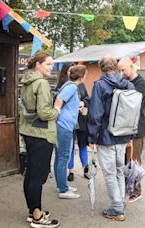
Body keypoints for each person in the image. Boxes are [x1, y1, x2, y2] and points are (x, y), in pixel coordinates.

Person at [88, 56, 135, 221]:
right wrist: (131, 135)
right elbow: (133, 112)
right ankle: (120, 203)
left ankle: (117, 208)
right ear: (115, 67)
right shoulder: (129, 85)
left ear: (102, 68)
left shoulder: (100, 86)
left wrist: (92, 138)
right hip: (123, 134)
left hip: (106, 136)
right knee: (119, 171)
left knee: (109, 173)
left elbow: (95, 114)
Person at [20, 51, 60, 227]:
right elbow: (44, 113)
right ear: (38, 65)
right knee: (39, 176)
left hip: (29, 131)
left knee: (30, 174)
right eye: (48, 64)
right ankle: (37, 217)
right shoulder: (42, 83)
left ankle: (32, 211)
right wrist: (57, 109)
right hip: (42, 134)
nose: (51, 67)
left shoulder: (26, 81)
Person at [53, 65, 86, 199]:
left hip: (62, 125)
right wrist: (57, 112)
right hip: (64, 126)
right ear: (82, 76)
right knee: (63, 157)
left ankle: (61, 184)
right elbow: (59, 100)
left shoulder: (68, 85)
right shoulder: (72, 87)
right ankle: (63, 189)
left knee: (59, 157)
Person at [117, 57, 145, 202]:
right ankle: (127, 187)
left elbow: (133, 106)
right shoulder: (126, 82)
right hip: (126, 127)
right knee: (126, 160)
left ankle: (136, 190)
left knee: (134, 161)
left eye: (123, 70)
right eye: (119, 70)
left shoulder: (140, 83)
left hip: (137, 128)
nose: (121, 73)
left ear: (131, 66)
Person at [67, 81, 90, 181]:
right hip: (70, 120)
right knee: (70, 146)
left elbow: (87, 98)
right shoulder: (65, 85)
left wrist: (83, 103)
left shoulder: (81, 85)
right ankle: (70, 171)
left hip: (81, 120)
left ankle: (86, 168)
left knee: (83, 144)